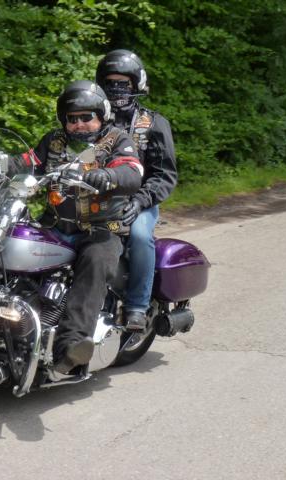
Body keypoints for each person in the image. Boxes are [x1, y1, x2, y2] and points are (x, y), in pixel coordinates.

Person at [28, 80, 144, 374]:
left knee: (94, 262)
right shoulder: (53, 141)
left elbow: (132, 171)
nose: (78, 124)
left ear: (101, 116)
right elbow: (27, 162)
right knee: (13, 240)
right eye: (72, 118)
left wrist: (109, 176)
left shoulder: (117, 140)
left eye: (86, 117)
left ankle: (71, 346)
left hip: (101, 230)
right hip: (56, 225)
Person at [95, 49, 178, 331]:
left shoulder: (154, 124)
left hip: (139, 202)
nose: (116, 89)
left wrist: (142, 200)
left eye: (123, 83)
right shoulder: (93, 123)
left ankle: (137, 307)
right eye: (110, 83)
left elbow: (164, 175)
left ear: (136, 84)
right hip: (94, 200)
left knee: (141, 236)